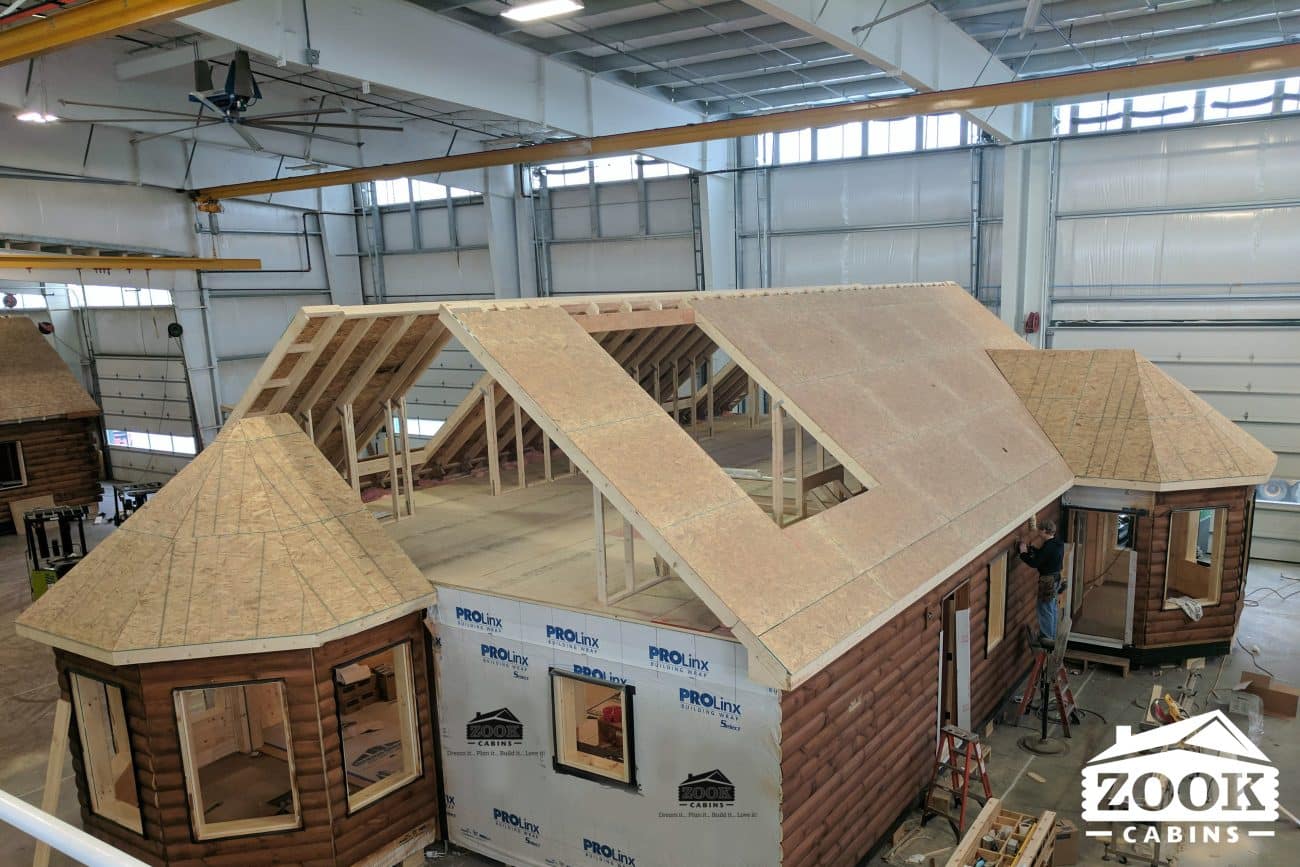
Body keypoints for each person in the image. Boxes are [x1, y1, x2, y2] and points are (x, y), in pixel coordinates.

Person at [1019, 520, 1065, 644]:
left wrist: (1023, 553)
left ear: (1044, 531)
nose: (1038, 532)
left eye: (1040, 530)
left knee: (1045, 608)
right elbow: (1044, 556)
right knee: (1052, 608)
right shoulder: (1057, 543)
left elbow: (1035, 563)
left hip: (1047, 581)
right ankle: (1052, 635)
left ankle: (1047, 638)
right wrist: (1032, 550)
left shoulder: (1048, 546)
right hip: (1055, 579)